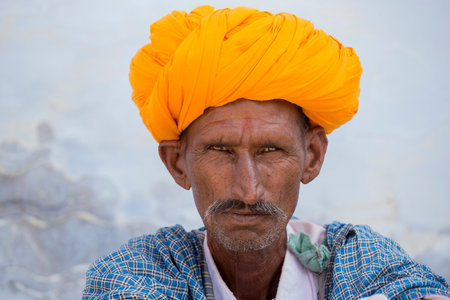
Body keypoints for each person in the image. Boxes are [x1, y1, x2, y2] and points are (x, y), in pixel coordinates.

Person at [83, 5, 449, 300]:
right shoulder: (141, 272)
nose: (248, 190)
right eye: (220, 150)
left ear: (313, 155)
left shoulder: (357, 260)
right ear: (177, 163)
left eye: (271, 150)